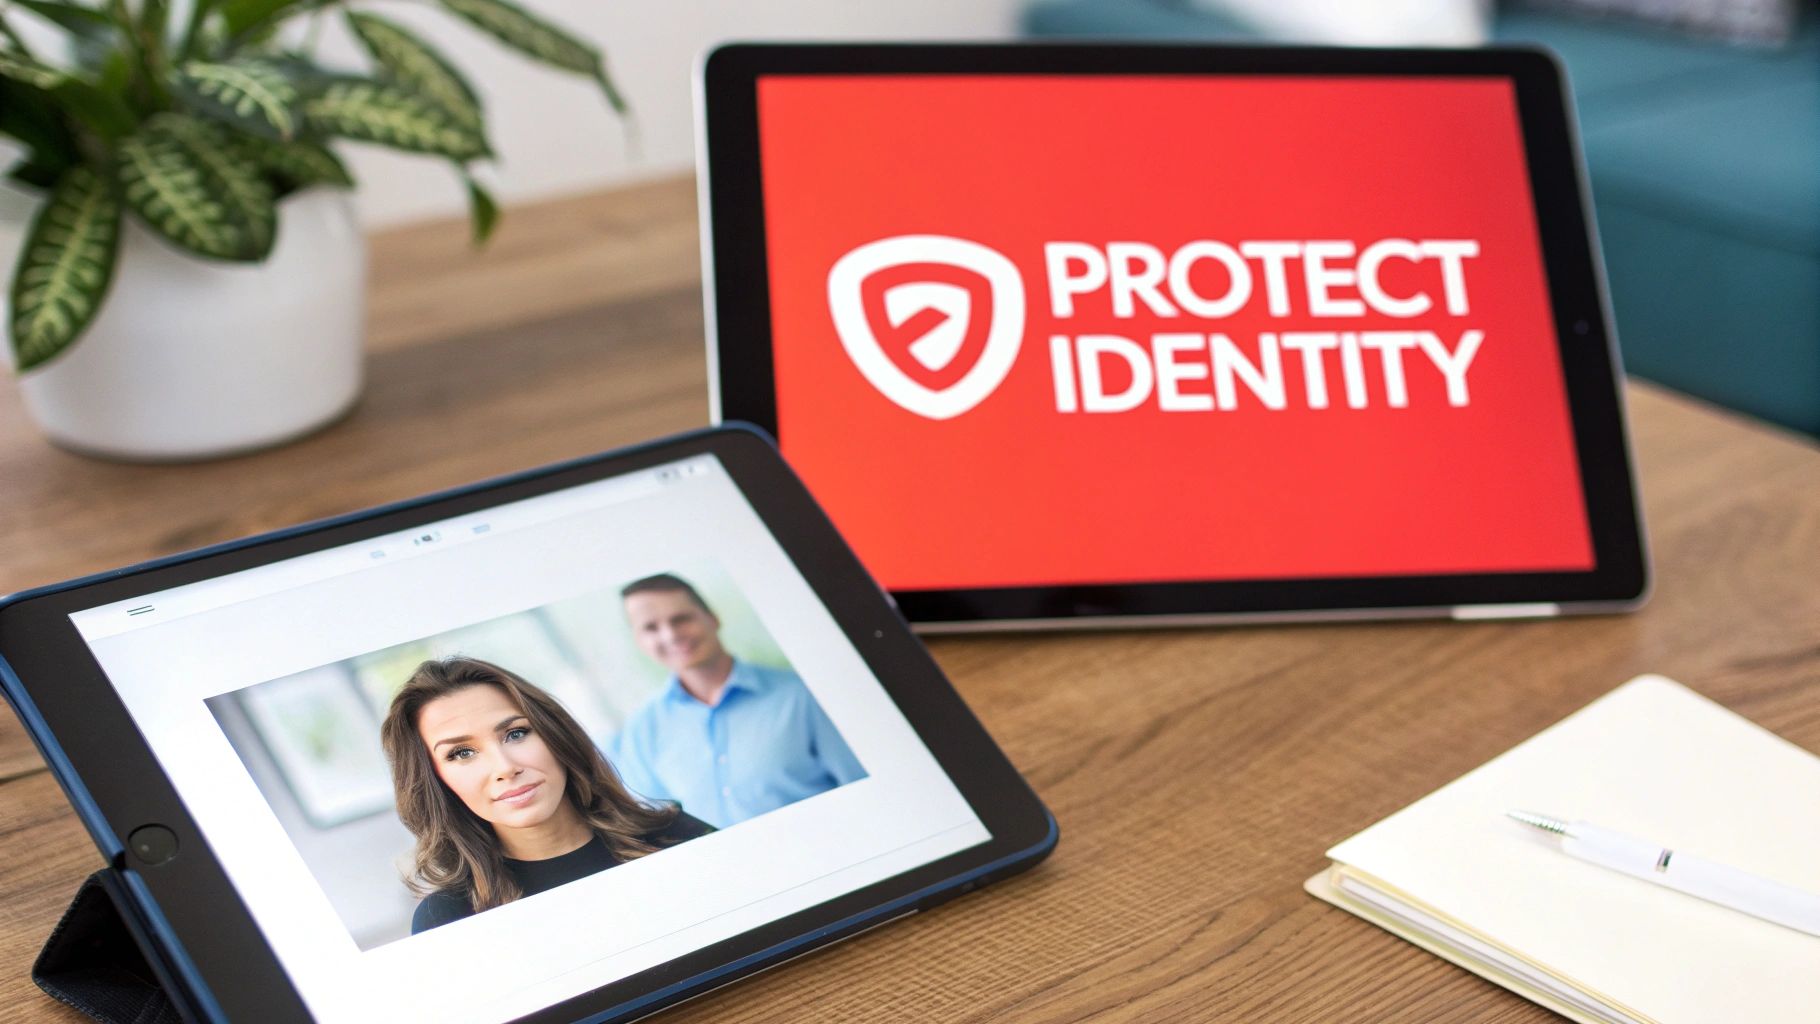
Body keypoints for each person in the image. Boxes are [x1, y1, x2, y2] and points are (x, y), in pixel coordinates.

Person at [380, 656, 712, 934]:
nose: (505, 767)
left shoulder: (676, 836)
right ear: (436, 780)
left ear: (556, 736)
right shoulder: (448, 918)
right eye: (462, 754)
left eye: (516, 733)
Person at [611, 574, 867, 829]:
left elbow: (863, 791)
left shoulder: (802, 695)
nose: (670, 635)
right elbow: (653, 828)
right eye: (650, 628)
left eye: (681, 619)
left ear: (712, 618)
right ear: (639, 641)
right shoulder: (641, 730)